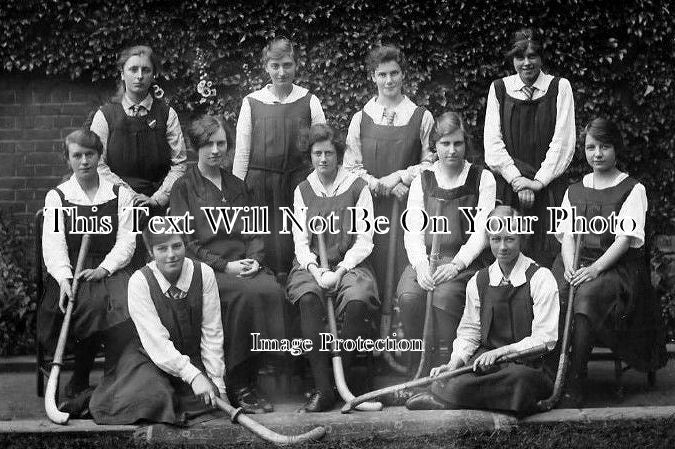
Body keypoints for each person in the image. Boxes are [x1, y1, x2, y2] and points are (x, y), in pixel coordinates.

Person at [170, 114, 286, 414]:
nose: (215, 150)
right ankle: (237, 383)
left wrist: (255, 261)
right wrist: (225, 266)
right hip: (207, 268)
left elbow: (255, 231)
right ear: (197, 147)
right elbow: (186, 242)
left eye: (221, 143)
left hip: (243, 263)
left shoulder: (237, 186)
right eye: (208, 144)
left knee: (270, 290)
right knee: (243, 295)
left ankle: (256, 373)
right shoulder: (184, 187)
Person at [554, 118, 667, 406]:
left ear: (617, 148)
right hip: (576, 263)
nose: (598, 154)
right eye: (591, 147)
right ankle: (551, 372)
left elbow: (624, 240)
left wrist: (594, 270)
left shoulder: (632, 189)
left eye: (605, 146)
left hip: (616, 268)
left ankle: (577, 379)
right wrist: (569, 267)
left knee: (588, 296)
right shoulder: (574, 191)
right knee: (552, 291)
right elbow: (567, 235)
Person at [406, 206, 559, 416]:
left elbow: (545, 339)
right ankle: (459, 392)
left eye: (510, 239)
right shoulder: (479, 280)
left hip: (528, 366)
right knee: (451, 378)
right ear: (488, 239)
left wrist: (502, 351)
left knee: (520, 383)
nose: (502, 247)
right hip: (489, 366)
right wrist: (454, 363)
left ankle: (449, 398)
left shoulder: (541, 277)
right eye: (496, 239)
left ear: (522, 237)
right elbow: (469, 332)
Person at [89, 220, 226, 424]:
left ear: (185, 244)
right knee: (153, 399)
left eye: (177, 246)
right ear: (151, 252)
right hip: (150, 356)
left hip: (192, 356)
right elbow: (157, 342)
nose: (171, 254)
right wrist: (194, 376)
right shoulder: (140, 281)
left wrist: (217, 384)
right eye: (162, 248)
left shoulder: (204, 273)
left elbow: (212, 332)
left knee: (210, 398)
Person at [40, 129, 135, 408]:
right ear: (67, 159)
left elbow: (127, 241)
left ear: (99, 156)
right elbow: (54, 245)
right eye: (77, 155)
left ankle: (114, 376)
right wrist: (65, 279)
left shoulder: (119, 194)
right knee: (88, 304)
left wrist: (104, 269)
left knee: (128, 301)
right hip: (71, 271)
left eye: (89, 154)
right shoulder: (58, 196)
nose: (84, 161)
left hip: (110, 268)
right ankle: (79, 378)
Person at [287, 124, 378, 412]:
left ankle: (346, 382)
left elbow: (365, 240)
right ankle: (324, 388)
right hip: (312, 265)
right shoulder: (303, 190)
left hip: (351, 264)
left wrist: (339, 272)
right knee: (309, 298)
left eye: (328, 153)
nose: (323, 159)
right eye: (317, 154)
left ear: (338, 155)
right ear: (310, 156)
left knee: (357, 300)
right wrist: (317, 272)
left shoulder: (357, 187)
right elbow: (300, 242)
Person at [397, 112, 495, 370]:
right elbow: (413, 230)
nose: (451, 150)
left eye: (458, 143)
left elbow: (482, 232)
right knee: (409, 297)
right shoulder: (423, 179)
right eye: (445, 143)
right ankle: (417, 365)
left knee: (444, 297)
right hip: (427, 259)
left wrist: (457, 265)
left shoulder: (482, 179)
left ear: (466, 145)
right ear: (435, 146)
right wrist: (420, 266)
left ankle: (447, 366)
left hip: (465, 263)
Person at [344, 44, 435, 297]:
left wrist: (401, 176)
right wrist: (377, 184)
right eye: (382, 74)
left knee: (406, 273)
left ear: (403, 74)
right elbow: (351, 168)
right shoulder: (361, 118)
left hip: (408, 209)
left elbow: (431, 164)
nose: (388, 80)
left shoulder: (421, 116)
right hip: (370, 209)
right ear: (372, 76)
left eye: (394, 73)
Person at [233, 37, 326, 276]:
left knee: (298, 242)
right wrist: (236, 190)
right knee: (263, 243)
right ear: (266, 67)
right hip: (260, 187)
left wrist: (322, 187)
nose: (281, 72)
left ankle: (299, 291)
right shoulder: (252, 102)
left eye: (287, 65)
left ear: (296, 65)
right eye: (275, 66)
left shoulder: (309, 101)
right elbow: (243, 151)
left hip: (298, 184)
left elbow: (321, 148)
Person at [483, 28, 575, 267]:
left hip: (549, 190)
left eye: (532, 56)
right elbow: (493, 145)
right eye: (519, 57)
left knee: (546, 260)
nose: (526, 63)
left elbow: (563, 143)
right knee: (509, 255)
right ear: (512, 59)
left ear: (542, 58)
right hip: (509, 189)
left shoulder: (560, 88)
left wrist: (537, 182)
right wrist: (518, 180)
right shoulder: (499, 89)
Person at [89, 45, 187, 267]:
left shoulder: (166, 114)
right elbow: (98, 165)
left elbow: (179, 164)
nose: (140, 76)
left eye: (146, 70)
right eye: (133, 69)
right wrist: (130, 196)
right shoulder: (105, 115)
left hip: (159, 206)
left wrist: (157, 199)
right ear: (122, 73)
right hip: (118, 205)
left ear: (154, 75)